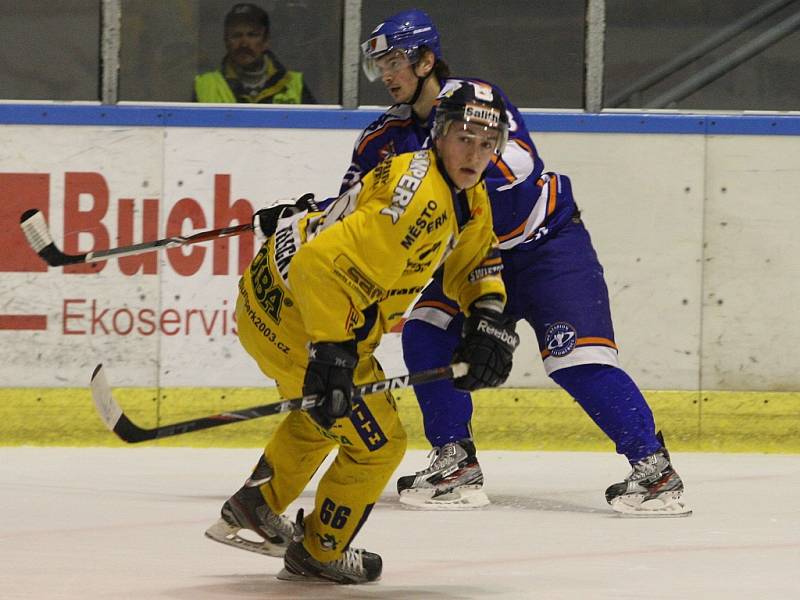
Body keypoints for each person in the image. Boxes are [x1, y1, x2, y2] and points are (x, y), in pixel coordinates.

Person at [346, 9, 690, 516]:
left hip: (547, 249)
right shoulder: (383, 139)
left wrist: (430, 168)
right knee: (425, 332)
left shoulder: (473, 101)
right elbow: (351, 206)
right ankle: (454, 463)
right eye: (381, 65)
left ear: (425, 59)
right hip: (472, 263)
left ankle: (654, 472)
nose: (389, 75)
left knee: (577, 360)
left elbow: (521, 169)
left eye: (396, 60)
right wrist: (300, 215)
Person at [203, 83, 520, 584]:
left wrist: (487, 313)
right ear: (439, 133)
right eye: (465, 137)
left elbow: (475, 254)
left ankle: (255, 506)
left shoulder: (460, 190)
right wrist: (332, 352)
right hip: (299, 319)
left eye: (487, 142)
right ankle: (321, 551)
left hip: (268, 301)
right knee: (380, 444)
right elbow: (319, 265)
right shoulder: (421, 202)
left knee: (323, 415)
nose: (476, 153)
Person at [193, 3, 315, 104]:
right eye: (236, 36)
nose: (244, 44)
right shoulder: (205, 85)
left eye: (252, 35)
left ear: (266, 41)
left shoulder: (294, 85)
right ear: (226, 42)